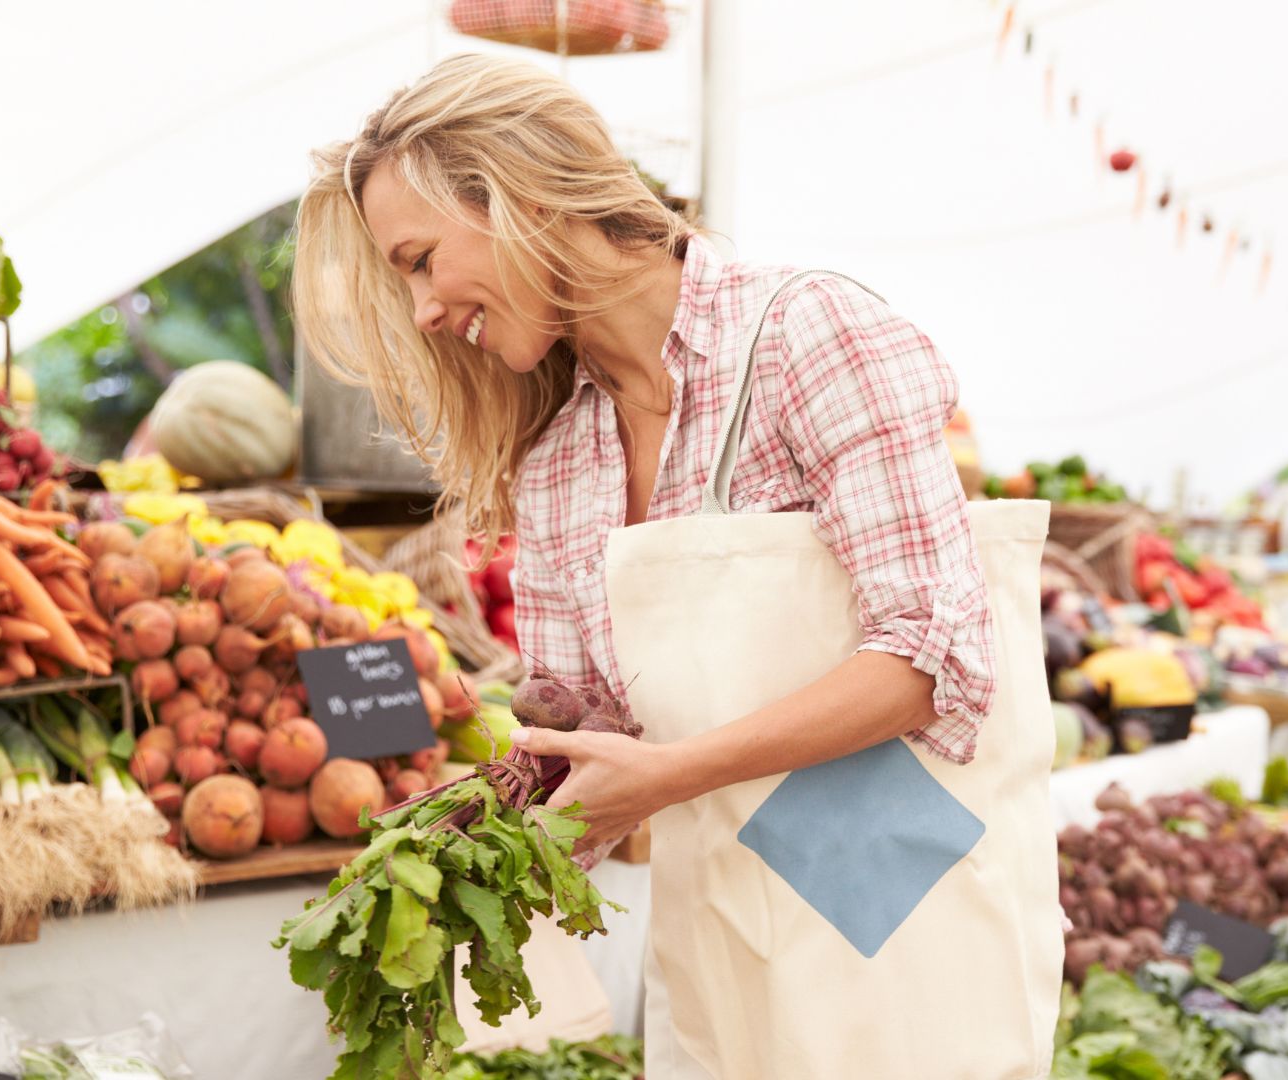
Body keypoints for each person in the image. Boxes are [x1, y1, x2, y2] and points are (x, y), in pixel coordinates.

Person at [292, 54, 1059, 1079]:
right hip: (730, 920)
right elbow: (593, 729)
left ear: (516, 195)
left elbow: (929, 659)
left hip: (903, 896)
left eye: (423, 259)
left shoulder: (806, 336)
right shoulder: (563, 461)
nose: (425, 310)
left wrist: (666, 776)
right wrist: (449, 842)